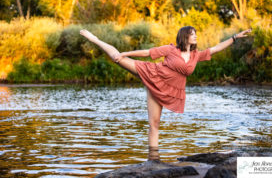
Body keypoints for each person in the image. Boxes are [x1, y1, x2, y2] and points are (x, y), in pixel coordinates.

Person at [80, 26, 251, 157]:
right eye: (193, 33)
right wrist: (125, 53)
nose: (196, 36)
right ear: (185, 36)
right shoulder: (171, 49)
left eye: (195, 34)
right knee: (117, 58)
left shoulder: (195, 55)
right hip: (150, 73)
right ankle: (95, 39)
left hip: (163, 90)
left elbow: (216, 48)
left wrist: (235, 37)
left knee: (154, 124)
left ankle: (153, 158)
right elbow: (148, 52)